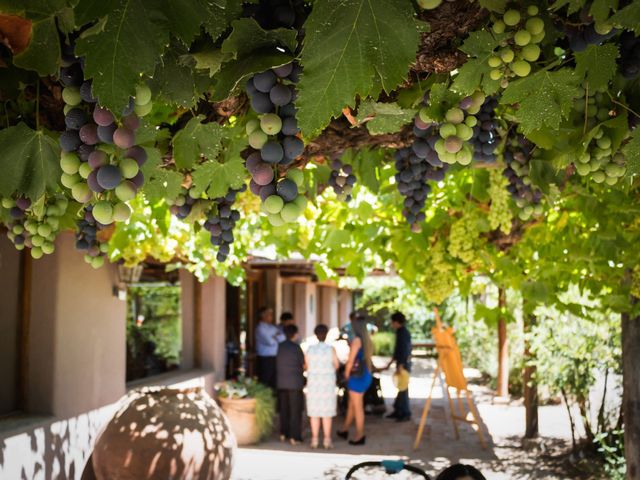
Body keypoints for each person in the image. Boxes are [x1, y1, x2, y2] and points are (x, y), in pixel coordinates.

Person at [337, 317, 373, 445]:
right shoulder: (367, 339)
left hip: (357, 377)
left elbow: (350, 361)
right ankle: (345, 429)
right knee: (352, 405)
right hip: (365, 375)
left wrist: (346, 374)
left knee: (357, 407)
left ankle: (360, 435)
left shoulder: (357, 340)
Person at [305, 324, 339, 449]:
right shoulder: (331, 349)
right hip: (327, 384)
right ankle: (327, 439)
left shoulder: (310, 349)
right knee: (326, 413)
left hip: (314, 384)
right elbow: (336, 365)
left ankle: (314, 439)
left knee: (314, 413)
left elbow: (306, 365)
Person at [276, 324, 305, 445]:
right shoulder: (296, 347)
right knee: (295, 410)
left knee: (284, 409)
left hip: (281, 382)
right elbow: (303, 364)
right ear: (295, 334)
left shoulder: (280, 346)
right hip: (295, 382)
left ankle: (284, 433)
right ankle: (295, 437)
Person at [383, 311, 413, 422]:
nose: (391, 324)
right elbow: (397, 351)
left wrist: (400, 365)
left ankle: (405, 413)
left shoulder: (403, 333)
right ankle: (398, 410)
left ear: (396, 322)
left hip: (403, 365)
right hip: (401, 364)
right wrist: (390, 363)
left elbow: (404, 350)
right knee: (400, 387)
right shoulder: (401, 332)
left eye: (392, 322)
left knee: (403, 388)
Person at [255, 306, 281, 389]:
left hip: (275, 357)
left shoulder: (272, 327)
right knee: (265, 381)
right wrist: (275, 336)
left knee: (274, 381)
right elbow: (270, 341)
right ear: (263, 315)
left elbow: (282, 338)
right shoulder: (260, 328)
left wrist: (274, 336)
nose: (271, 316)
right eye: (269, 314)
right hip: (265, 358)